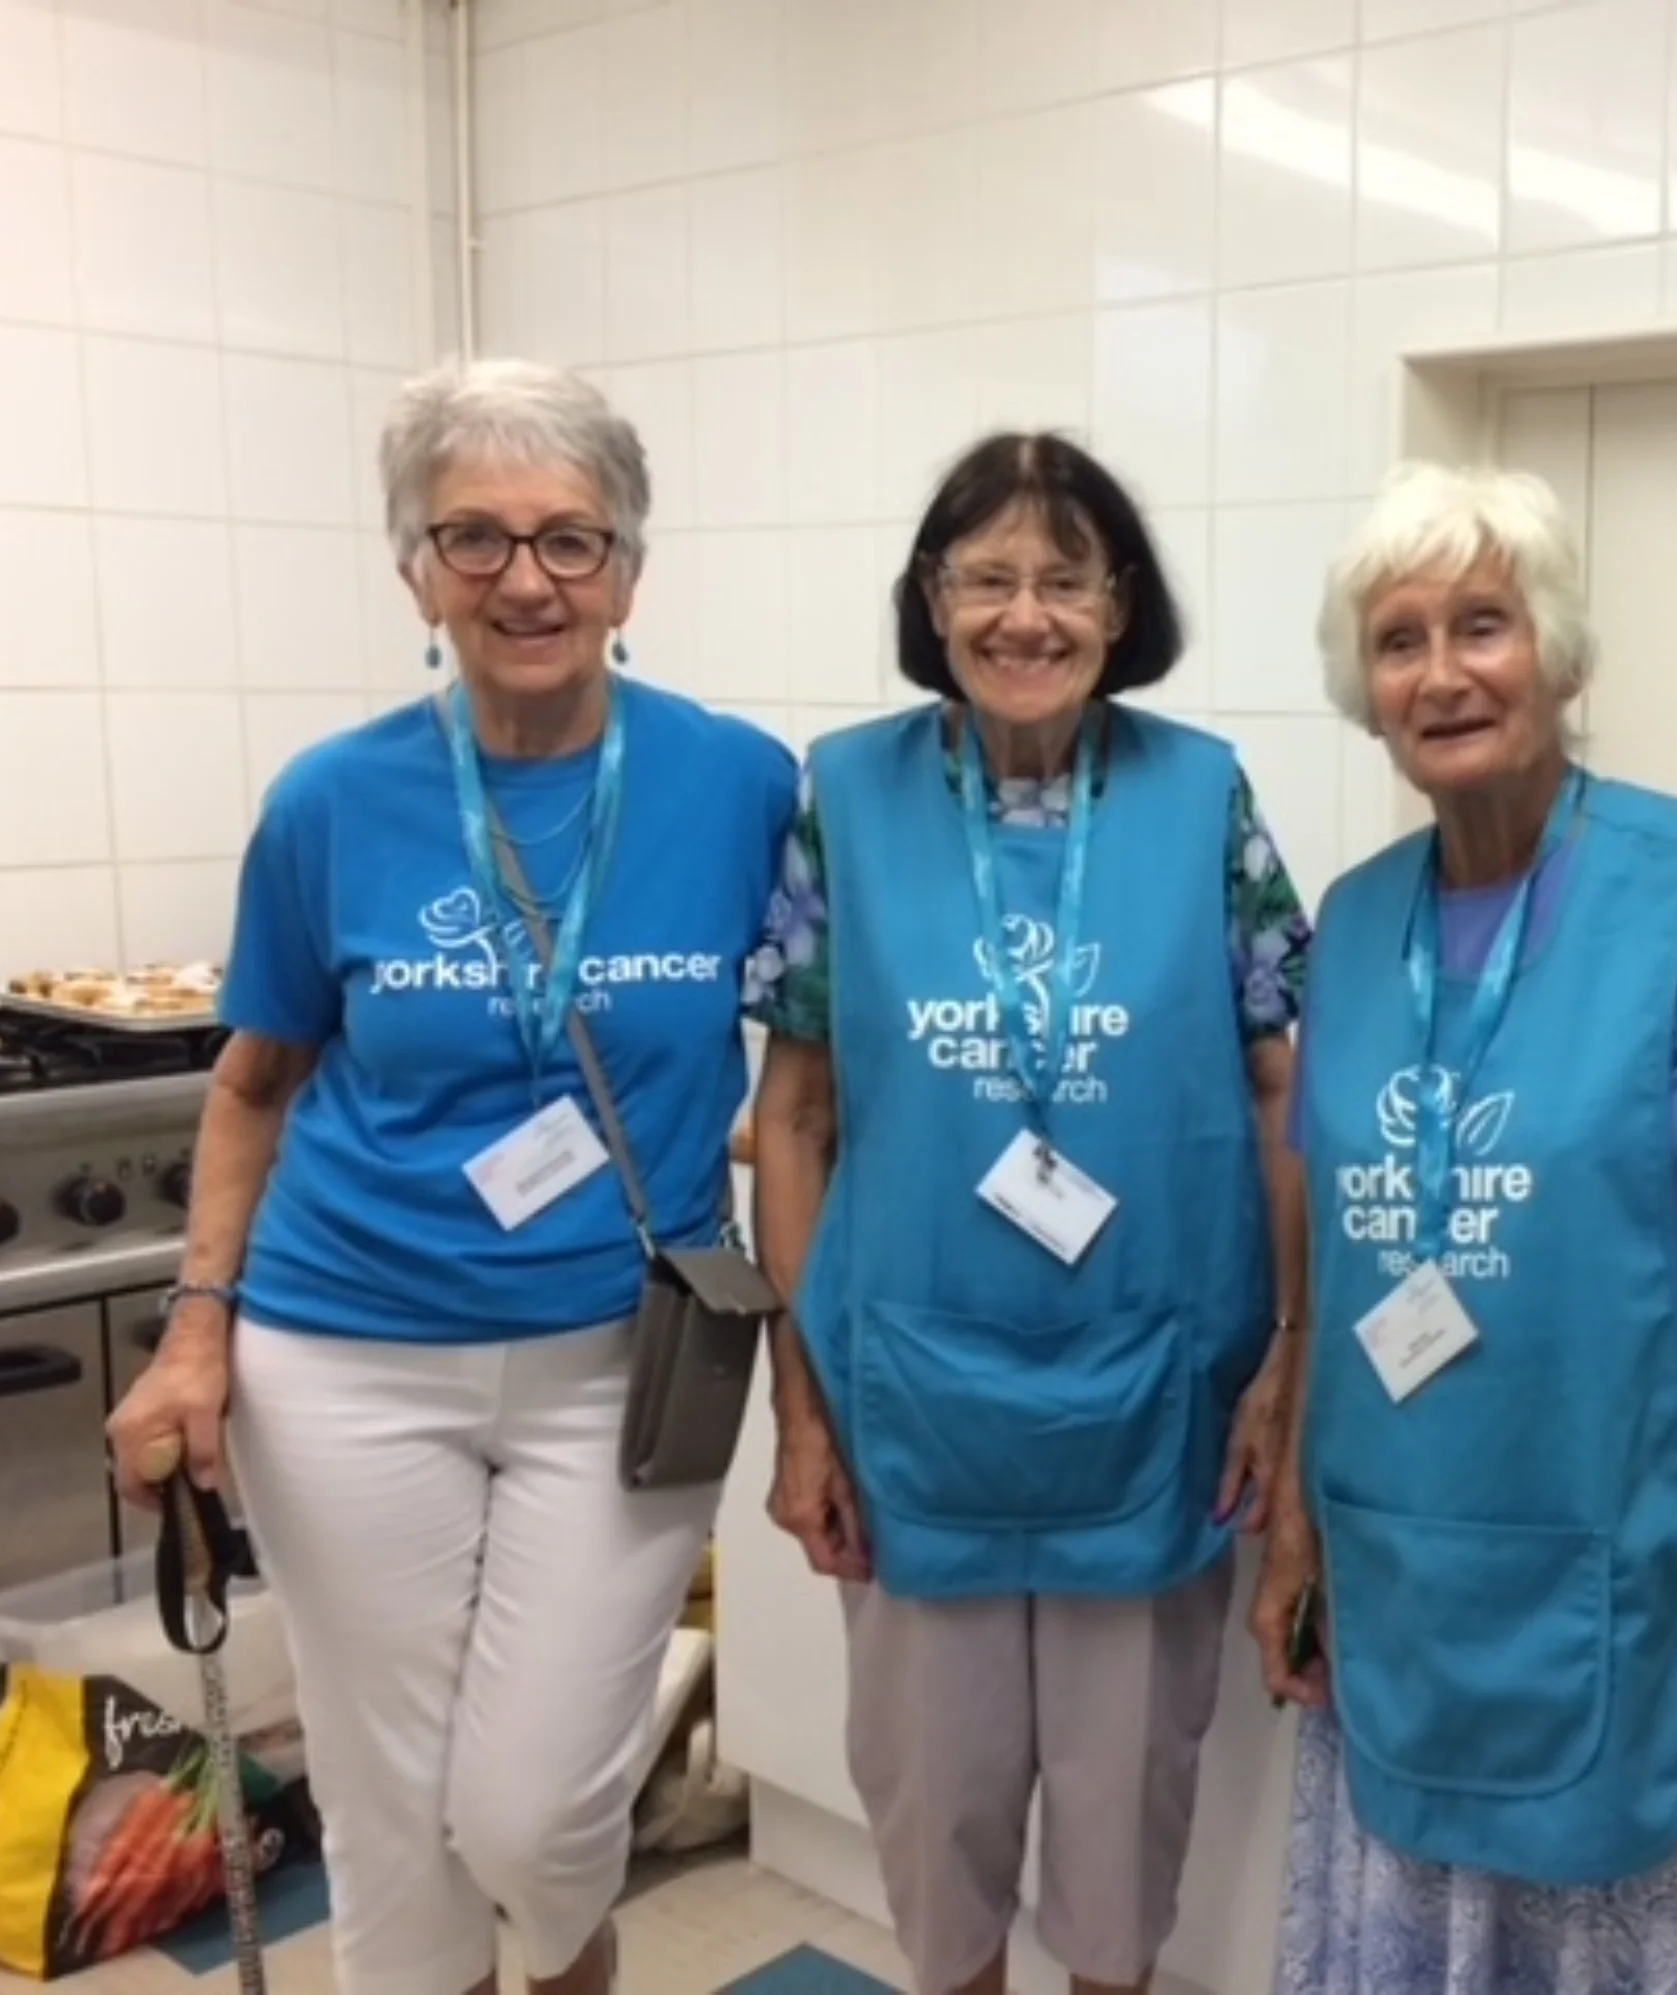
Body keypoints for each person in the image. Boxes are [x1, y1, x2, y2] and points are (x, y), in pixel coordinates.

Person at [104, 358, 796, 1995]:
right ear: (413, 567)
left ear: (631, 568)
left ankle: (568, 1958)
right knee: (388, 1813)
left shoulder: (742, 784)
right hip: (342, 1356)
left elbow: (819, 1063)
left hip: (626, 1362)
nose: (525, 579)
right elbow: (255, 1078)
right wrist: (198, 1332)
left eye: (570, 537)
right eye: (472, 538)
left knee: (537, 1809)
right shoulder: (333, 800)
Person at [1253, 461, 1677, 1994]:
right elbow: (1332, 1265)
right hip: (1406, 1556)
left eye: (1486, 622)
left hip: (1662, 1550)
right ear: (1368, 691)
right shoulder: (1352, 925)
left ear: (1564, 653)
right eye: (1400, 640)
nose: (1445, 670)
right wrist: (1292, 1522)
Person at [746, 432, 1314, 1995]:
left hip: (1156, 1393)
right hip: (902, 1397)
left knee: (1126, 1847)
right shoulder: (845, 794)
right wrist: (800, 1405)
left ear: (1119, 605)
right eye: (985, 576)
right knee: (939, 1833)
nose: (1024, 613)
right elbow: (793, 1115)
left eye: (1064, 577)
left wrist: (1282, 1356)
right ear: (932, 599)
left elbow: (1284, 1093)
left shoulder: (1202, 794)